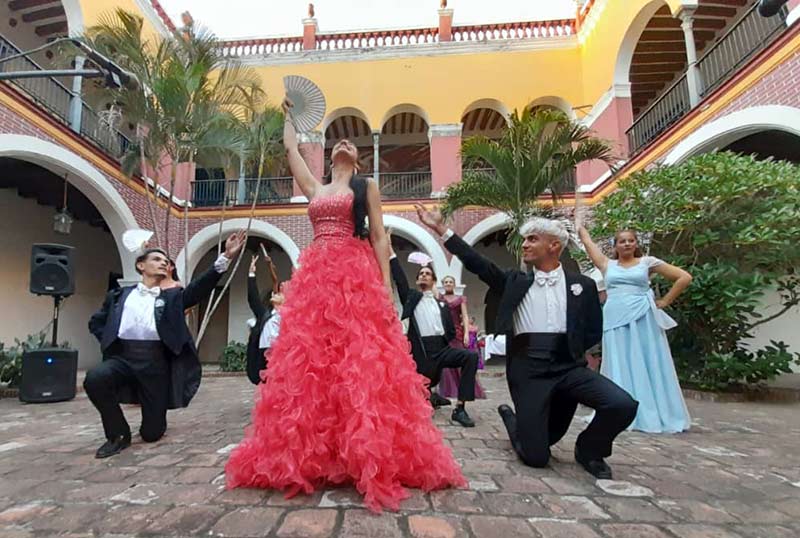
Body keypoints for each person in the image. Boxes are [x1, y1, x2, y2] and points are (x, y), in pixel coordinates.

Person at [225, 99, 465, 513]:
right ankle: (315, 452)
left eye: (353, 144)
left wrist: (386, 287)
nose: (346, 144)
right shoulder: (316, 189)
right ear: (333, 153)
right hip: (317, 273)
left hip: (353, 274)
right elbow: (291, 152)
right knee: (312, 361)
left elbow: (379, 238)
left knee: (358, 359)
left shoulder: (365, 186)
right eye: (341, 142)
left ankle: (362, 453)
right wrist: (288, 117)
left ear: (358, 157)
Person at [417, 204, 638, 479]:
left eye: (533, 239)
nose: (525, 245)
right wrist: (441, 229)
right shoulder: (514, 281)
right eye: (525, 239)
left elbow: (593, 329)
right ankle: (513, 420)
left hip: (569, 368)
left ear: (554, 245)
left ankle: (589, 450)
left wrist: (571, 356)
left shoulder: (583, 285)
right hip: (528, 371)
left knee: (622, 404)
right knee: (537, 456)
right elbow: (476, 261)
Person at [85, 231, 246, 458]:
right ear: (141, 266)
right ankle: (118, 434)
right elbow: (97, 322)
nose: (163, 264)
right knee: (95, 378)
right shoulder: (119, 295)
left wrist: (226, 257)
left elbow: (198, 289)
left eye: (165, 261)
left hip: (155, 363)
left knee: (152, 433)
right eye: (157, 260)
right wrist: (110, 342)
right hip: (122, 358)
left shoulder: (172, 297)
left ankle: (154, 420)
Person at [578, 226, 693, 433]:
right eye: (622, 241)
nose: (627, 244)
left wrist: (666, 301)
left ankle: (653, 410)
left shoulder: (648, 262)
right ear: (615, 246)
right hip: (615, 317)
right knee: (619, 359)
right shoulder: (607, 264)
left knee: (646, 357)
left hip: (642, 316)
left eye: (631, 240)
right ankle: (620, 408)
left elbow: (684, 277)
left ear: (636, 244)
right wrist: (580, 227)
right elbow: (588, 244)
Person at [388, 248, 479, 427]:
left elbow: (451, 331)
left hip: (442, 348)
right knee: (421, 391)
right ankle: (431, 395)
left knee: (471, 356)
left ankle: (460, 409)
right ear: (417, 279)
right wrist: (391, 252)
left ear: (433, 280)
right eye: (421, 273)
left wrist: (446, 343)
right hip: (422, 351)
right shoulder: (412, 297)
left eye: (427, 273)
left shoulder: (442, 304)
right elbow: (399, 279)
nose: (423, 275)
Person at [437, 278, 487, 400]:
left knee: (460, 359)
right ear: (443, 285)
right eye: (446, 282)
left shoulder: (460, 299)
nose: (448, 284)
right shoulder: (440, 299)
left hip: (457, 331)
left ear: (454, 285)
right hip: (444, 332)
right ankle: (448, 388)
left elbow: (464, 316)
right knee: (446, 361)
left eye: (450, 282)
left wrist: (466, 333)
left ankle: (462, 387)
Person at [245, 250, 282, 384]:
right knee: (266, 383)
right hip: (263, 352)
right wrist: (251, 273)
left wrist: (270, 264)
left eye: (278, 293)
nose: (274, 294)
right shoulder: (264, 314)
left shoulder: (291, 315)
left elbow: (276, 280)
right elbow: (253, 298)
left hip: (281, 353)